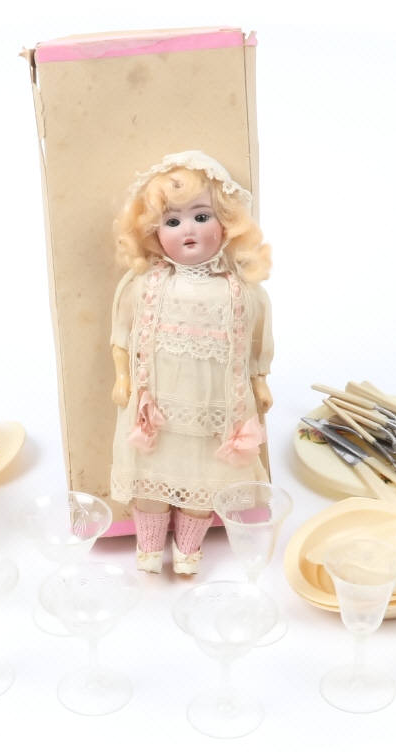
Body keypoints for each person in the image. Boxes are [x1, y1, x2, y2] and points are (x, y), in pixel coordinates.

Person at [109, 150, 274, 574]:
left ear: (227, 224)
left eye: (202, 217)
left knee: (206, 477)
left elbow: (257, 342)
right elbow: (122, 334)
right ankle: (148, 547)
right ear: (151, 232)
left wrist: (260, 381)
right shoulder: (145, 286)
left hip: (214, 405)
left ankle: (188, 549)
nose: (188, 230)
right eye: (172, 221)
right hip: (157, 405)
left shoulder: (240, 291)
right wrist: (122, 377)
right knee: (151, 473)